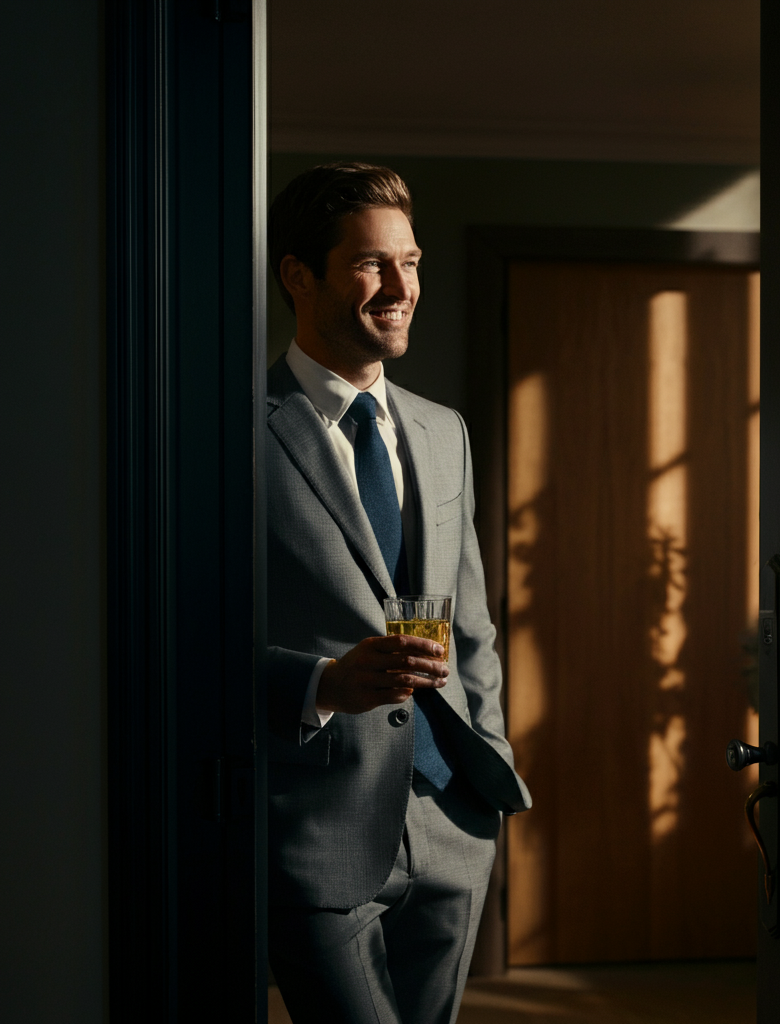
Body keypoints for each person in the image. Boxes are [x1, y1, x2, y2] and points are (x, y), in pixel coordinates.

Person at [265, 162, 531, 1024]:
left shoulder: (442, 430)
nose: (400, 287)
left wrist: (487, 757)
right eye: (370, 263)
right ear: (299, 275)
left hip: (453, 820)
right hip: (316, 827)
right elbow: (180, 641)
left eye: (410, 262)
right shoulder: (230, 435)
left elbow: (473, 622)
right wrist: (323, 683)